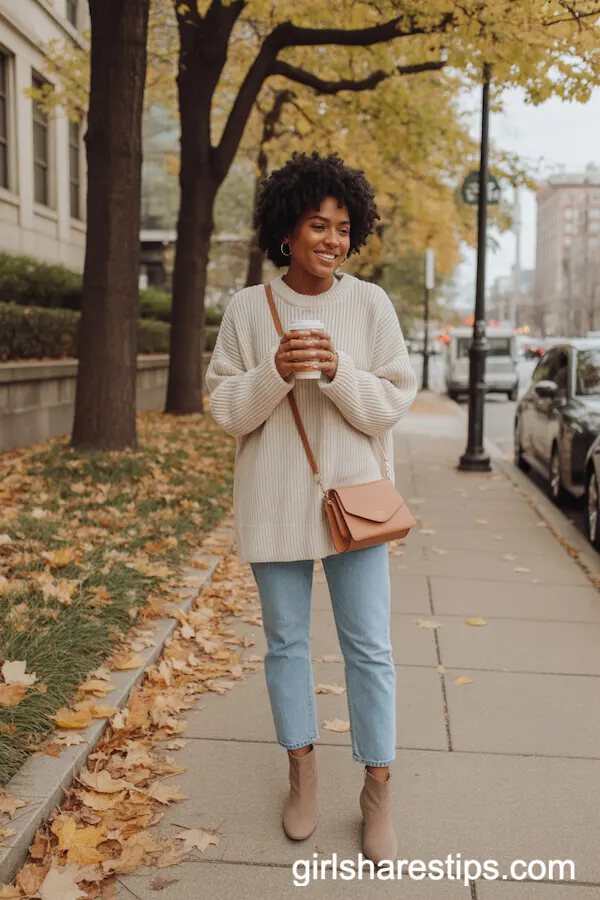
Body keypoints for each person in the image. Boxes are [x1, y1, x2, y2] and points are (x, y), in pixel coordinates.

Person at [206, 151, 417, 864]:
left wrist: (334, 372)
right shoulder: (247, 309)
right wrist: (275, 372)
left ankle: (378, 789)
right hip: (274, 509)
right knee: (287, 647)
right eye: (316, 225)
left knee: (370, 649)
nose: (331, 239)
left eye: (343, 227)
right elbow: (225, 408)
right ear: (285, 232)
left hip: (355, 507)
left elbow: (390, 403)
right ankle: (302, 773)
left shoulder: (369, 305)